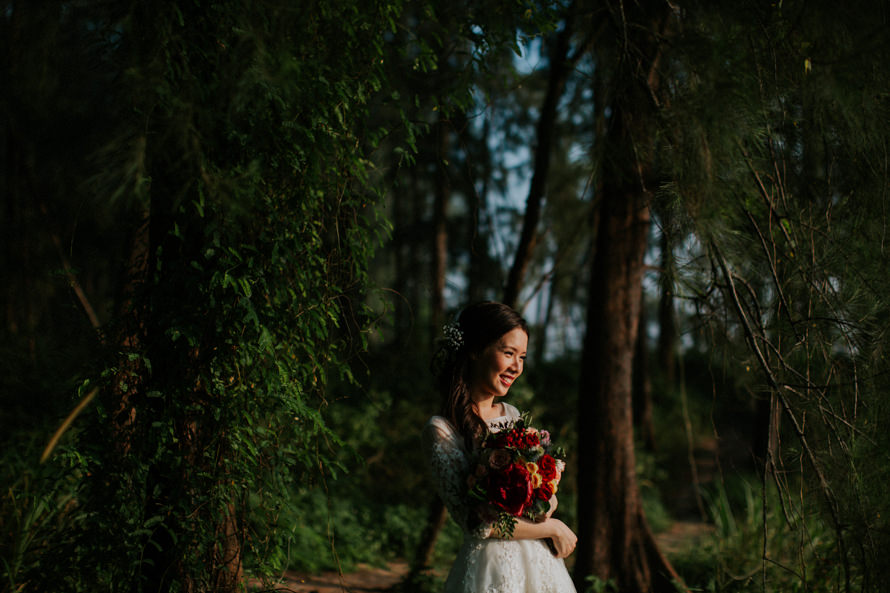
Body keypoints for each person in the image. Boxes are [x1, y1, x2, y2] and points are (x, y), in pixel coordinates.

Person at [422, 301, 578, 593]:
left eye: (522, 357)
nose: (516, 367)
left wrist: (546, 495)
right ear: (475, 350)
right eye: (508, 353)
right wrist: (553, 528)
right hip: (491, 569)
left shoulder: (513, 416)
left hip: (540, 565)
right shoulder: (441, 431)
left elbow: (540, 503)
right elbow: (475, 523)